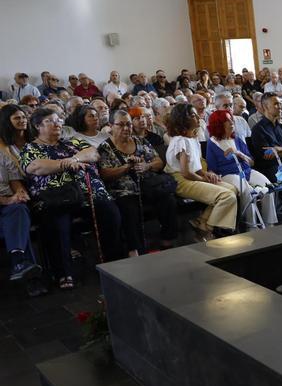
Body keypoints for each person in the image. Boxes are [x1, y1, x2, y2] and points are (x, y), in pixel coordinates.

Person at [21, 108, 123, 289]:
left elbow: (93, 153)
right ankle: (63, 272)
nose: (58, 124)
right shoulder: (31, 148)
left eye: (59, 120)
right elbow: (37, 167)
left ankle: (112, 262)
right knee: (58, 222)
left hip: (88, 193)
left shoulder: (72, 142)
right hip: (57, 196)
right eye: (51, 121)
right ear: (37, 126)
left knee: (109, 211)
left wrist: (73, 159)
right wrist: (65, 164)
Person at [97, 110, 177, 254]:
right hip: (122, 190)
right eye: (121, 125)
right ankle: (134, 250)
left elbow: (159, 162)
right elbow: (104, 174)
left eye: (128, 124)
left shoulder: (140, 141)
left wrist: (147, 166)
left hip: (146, 186)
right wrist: (126, 167)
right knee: (129, 207)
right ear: (111, 126)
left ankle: (167, 240)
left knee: (168, 200)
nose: (126, 128)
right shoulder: (105, 148)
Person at [164, 103, 237, 240]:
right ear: (182, 120)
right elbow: (185, 172)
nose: (198, 117)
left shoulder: (193, 139)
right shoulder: (181, 141)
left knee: (232, 189)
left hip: (193, 176)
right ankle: (206, 230)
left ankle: (202, 222)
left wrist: (207, 174)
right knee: (227, 196)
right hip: (181, 181)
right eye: (192, 115)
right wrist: (203, 180)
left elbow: (196, 167)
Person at [206, 109, 277, 228]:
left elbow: (251, 162)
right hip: (227, 175)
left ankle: (269, 223)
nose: (232, 122)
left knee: (269, 187)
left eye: (231, 119)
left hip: (246, 171)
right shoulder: (212, 143)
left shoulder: (237, 139)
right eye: (227, 120)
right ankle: (251, 225)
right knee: (247, 192)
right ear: (219, 124)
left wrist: (239, 154)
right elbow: (212, 168)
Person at [0, 105, 42, 288]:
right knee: (17, 216)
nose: (22, 120)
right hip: (2, 201)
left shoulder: (2, 153)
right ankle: (29, 276)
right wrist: (8, 200)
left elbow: (13, 177)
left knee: (20, 209)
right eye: (16, 118)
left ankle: (21, 265)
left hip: (7, 202)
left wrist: (19, 193)